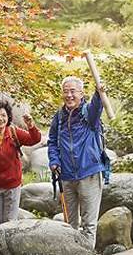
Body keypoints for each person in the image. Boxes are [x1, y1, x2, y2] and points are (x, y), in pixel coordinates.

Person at [47, 76, 105, 249]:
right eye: (66, 92)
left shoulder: (89, 114)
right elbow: (51, 141)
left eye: (73, 91)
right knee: (69, 225)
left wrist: (98, 92)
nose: (69, 95)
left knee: (89, 225)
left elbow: (97, 106)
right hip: (66, 175)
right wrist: (54, 160)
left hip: (89, 173)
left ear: (81, 93)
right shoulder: (59, 117)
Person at [0, 100, 41, 227]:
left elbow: (34, 139)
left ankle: (7, 247)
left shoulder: (13, 132)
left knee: (11, 222)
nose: (0, 118)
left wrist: (31, 126)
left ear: (8, 117)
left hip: (13, 184)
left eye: (3, 115)